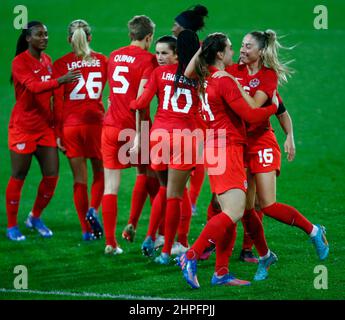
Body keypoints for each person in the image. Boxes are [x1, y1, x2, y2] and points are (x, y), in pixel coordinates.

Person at [177, 32, 280, 288]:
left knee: (230, 212)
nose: (236, 52)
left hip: (213, 147)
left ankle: (221, 273)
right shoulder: (224, 81)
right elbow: (252, 116)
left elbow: (188, 71)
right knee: (234, 211)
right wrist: (273, 106)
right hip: (228, 148)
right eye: (230, 48)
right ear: (220, 54)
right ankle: (190, 256)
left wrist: (206, 47)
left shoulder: (204, 78)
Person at [217, 30, 329, 263]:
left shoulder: (268, 76)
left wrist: (289, 136)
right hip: (239, 145)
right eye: (241, 45)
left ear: (260, 51)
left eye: (248, 46)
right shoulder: (233, 70)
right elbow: (277, 108)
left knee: (267, 204)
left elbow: (264, 108)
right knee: (247, 209)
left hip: (262, 144)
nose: (242, 50)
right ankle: (262, 254)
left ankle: (314, 231)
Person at [131, 30, 201, 265]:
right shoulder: (200, 76)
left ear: (176, 55)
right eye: (157, 52)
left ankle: (151, 236)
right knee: (176, 196)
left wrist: (125, 102)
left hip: (159, 136)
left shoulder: (159, 73)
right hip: (186, 138)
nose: (159, 57)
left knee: (163, 189)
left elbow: (140, 104)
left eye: (164, 53)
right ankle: (168, 250)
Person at [6, 21, 80, 241]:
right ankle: (12, 226)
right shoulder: (19, 62)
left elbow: (51, 99)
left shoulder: (47, 61)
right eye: (39, 35)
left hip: (44, 128)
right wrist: (61, 80)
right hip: (23, 128)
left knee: (52, 175)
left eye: (46, 34)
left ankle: (35, 217)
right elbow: (34, 87)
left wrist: (57, 131)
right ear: (28, 38)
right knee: (19, 175)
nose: (44, 38)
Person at [102, 15, 157, 255]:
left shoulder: (113, 55)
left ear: (129, 35)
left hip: (110, 125)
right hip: (136, 127)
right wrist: (137, 134)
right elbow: (140, 102)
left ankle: (111, 243)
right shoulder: (148, 59)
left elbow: (113, 92)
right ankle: (152, 233)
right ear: (148, 37)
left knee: (110, 187)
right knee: (150, 176)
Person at [53, 19, 107, 241]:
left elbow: (56, 103)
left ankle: (86, 230)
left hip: (71, 126)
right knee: (101, 173)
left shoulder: (60, 64)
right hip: (95, 123)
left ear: (68, 40)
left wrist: (57, 134)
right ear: (90, 38)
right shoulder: (102, 60)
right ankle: (94, 209)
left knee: (79, 179)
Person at [172, 4, 209, 215]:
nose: (172, 29)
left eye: (175, 25)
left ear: (185, 28)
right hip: (182, 114)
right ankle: (187, 201)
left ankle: (190, 201)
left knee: (196, 160)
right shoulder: (184, 48)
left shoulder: (202, 51)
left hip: (195, 113)